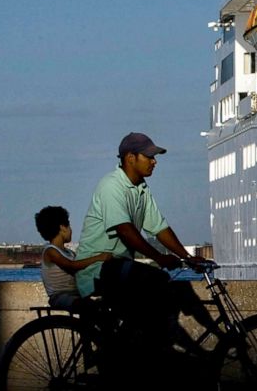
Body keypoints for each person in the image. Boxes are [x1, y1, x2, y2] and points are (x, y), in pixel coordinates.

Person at [75, 132, 216, 364]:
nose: (154, 161)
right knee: (156, 281)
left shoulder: (141, 188)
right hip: (98, 269)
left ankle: (129, 349)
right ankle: (116, 352)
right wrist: (160, 258)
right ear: (130, 158)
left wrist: (188, 257)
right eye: (149, 156)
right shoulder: (111, 185)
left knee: (161, 295)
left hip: (118, 269)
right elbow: (125, 230)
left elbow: (159, 228)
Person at [34, 205, 112, 312]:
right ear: (62, 228)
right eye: (69, 226)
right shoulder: (50, 251)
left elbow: (82, 267)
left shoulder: (69, 253)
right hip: (60, 296)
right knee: (88, 306)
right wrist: (99, 257)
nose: (71, 230)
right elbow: (72, 266)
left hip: (76, 294)